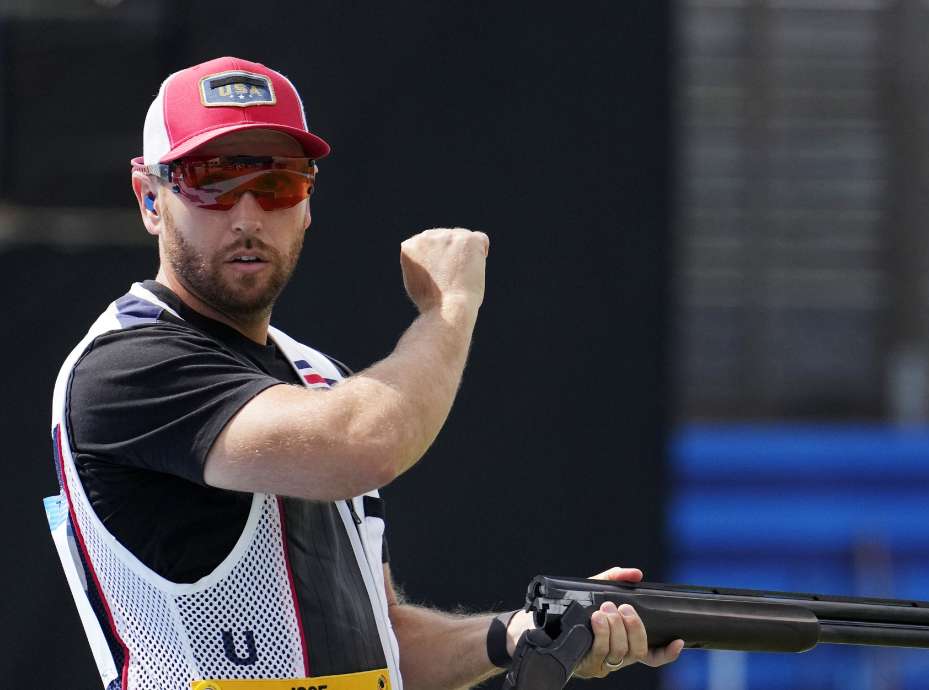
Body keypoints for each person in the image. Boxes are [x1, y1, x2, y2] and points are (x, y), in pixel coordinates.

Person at [44, 56, 683, 690]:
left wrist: (522, 634)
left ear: (308, 202)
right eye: (211, 180)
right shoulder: (127, 367)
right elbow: (364, 443)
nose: (246, 216)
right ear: (150, 198)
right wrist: (450, 307)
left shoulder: (315, 375)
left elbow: (387, 640)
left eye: (278, 184)